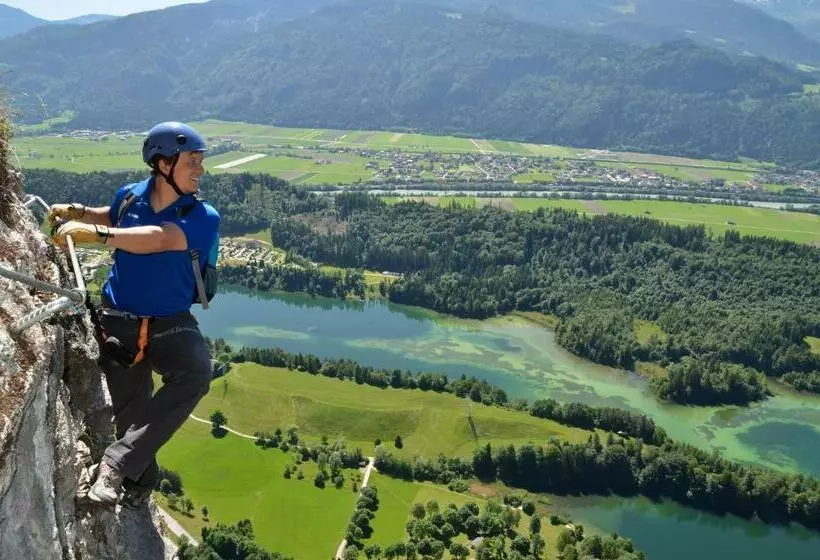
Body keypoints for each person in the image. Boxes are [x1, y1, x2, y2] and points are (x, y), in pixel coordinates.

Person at [48, 122, 220, 506]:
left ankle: (113, 466)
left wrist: (98, 235)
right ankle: (139, 488)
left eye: (200, 161)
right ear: (163, 164)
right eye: (193, 160)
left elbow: (160, 238)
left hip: (170, 321)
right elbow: (114, 216)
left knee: (195, 373)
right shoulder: (129, 197)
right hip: (119, 319)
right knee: (131, 418)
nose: (201, 169)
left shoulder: (203, 215)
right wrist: (80, 212)